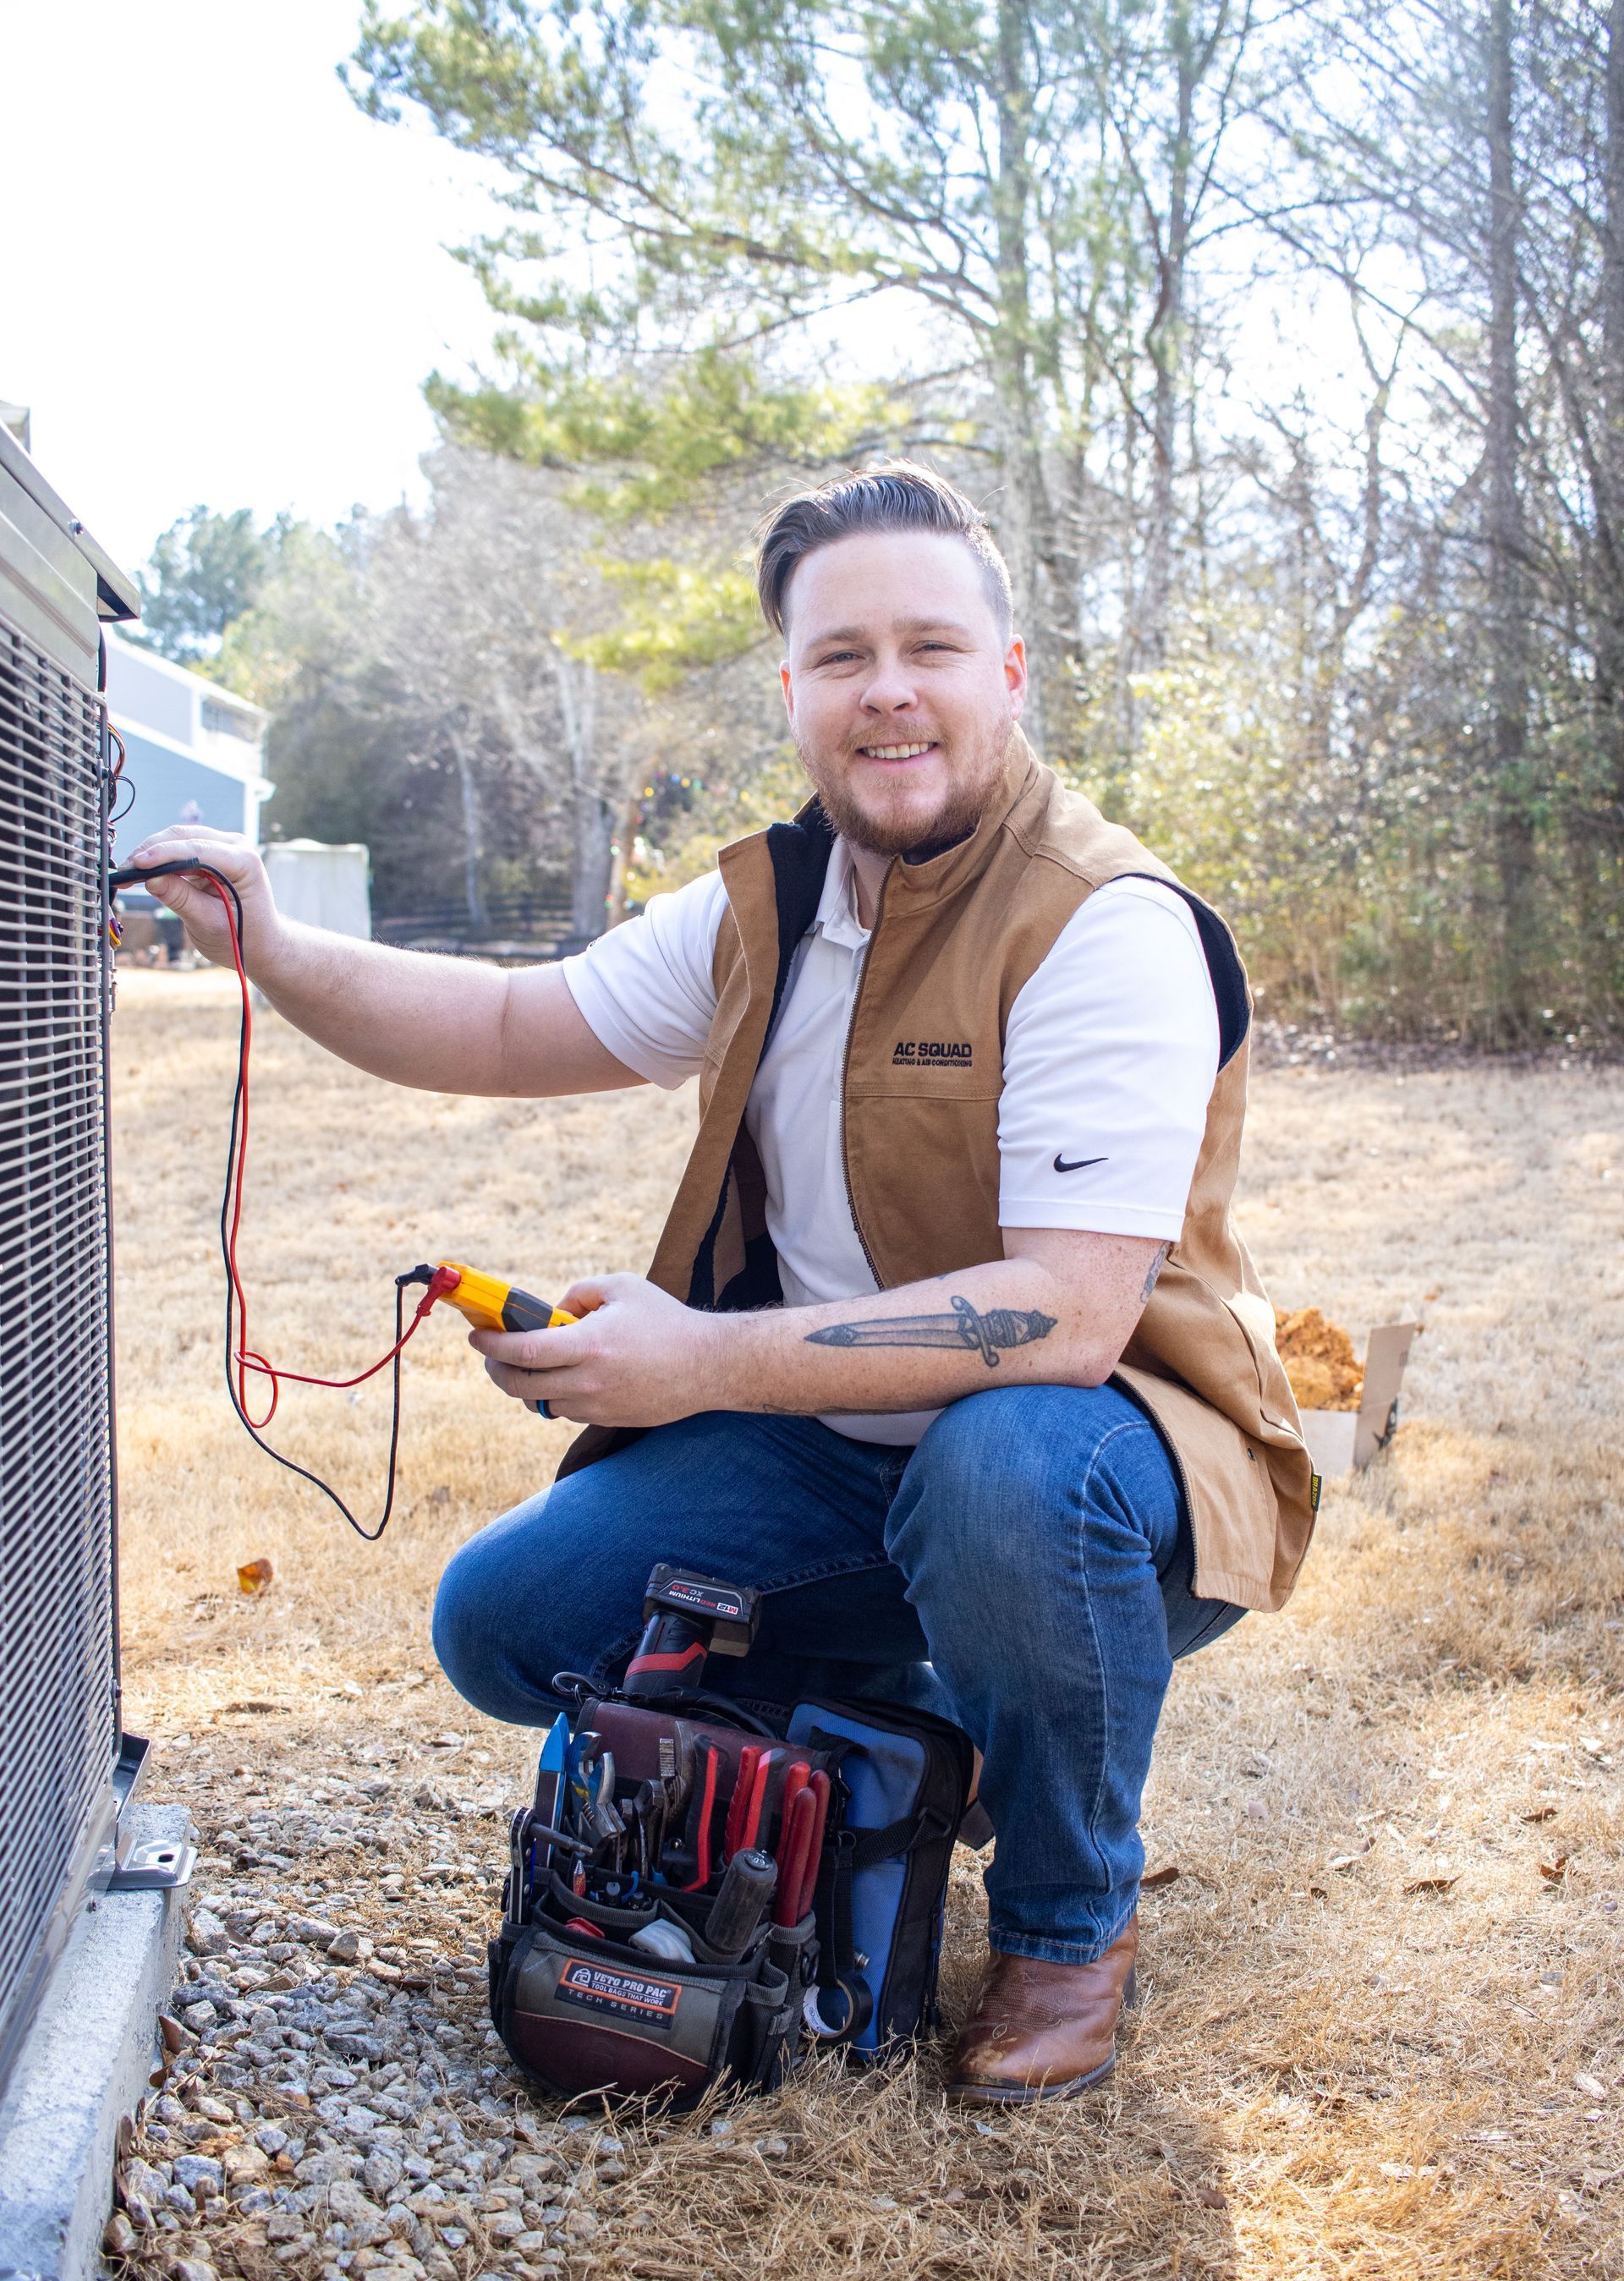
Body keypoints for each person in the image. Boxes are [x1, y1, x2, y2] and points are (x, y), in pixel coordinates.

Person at [130, 466, 1314, 2103]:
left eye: (930, 648)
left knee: (1006, 1471)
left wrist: (698, 1365)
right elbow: (500, 1026)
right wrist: (271, 942)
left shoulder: (1105, 923)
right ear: (793, 689)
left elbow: (1064, 1314)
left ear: (1011, 673)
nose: (887, 690)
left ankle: (1063, 1921)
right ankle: (916, 1734)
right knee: (513, 1621)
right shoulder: (767, 897)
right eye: (841, 657)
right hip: (831, 1449)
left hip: (1104, 1462)